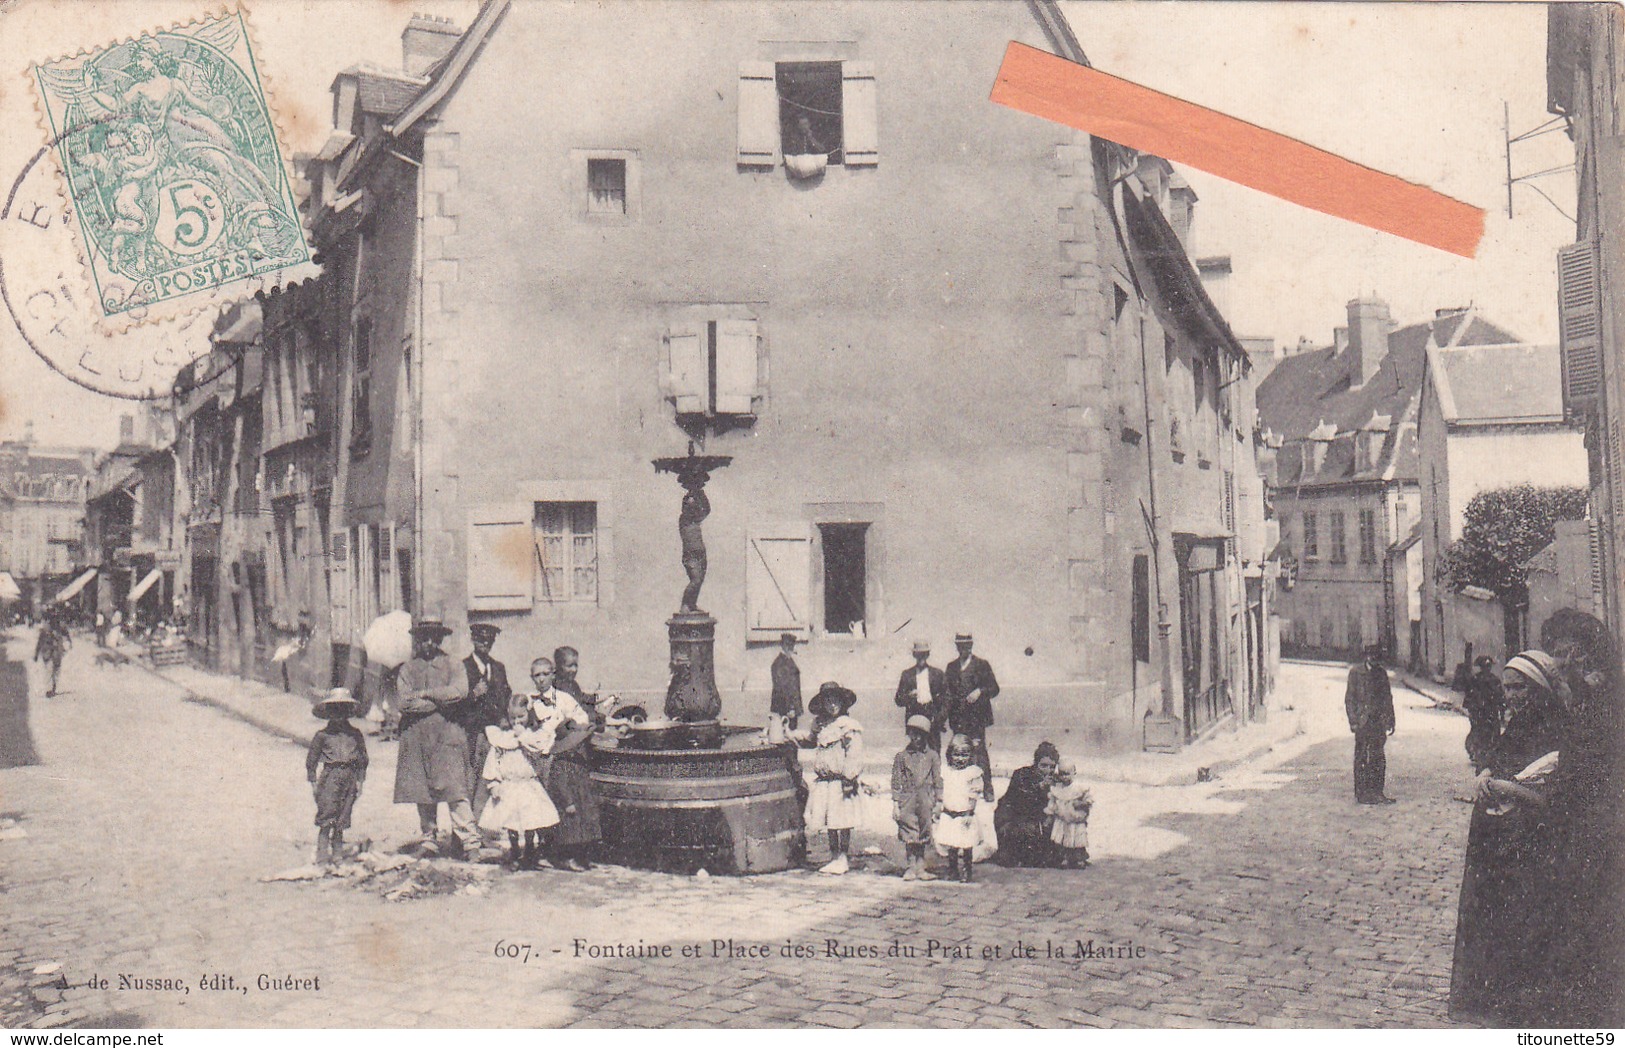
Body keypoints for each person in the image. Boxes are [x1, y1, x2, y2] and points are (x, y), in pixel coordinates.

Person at [1449, 650, 1568, 1026]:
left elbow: (1553, 797)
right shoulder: (1517, 725)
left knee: (1521, 918)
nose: (1512, 696)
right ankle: (1491, 996)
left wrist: (1505, 788)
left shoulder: (1555, 727)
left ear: (1539, 689)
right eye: (1508, 688)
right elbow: (1497, 758)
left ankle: (1515, 1002)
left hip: (1529, 840)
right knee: (1491, 913)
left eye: (1520, 688)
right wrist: (1484, 772)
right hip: (1496, 838)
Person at [1537, 610, 1624, 1027]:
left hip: (1597, 825)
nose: (1554, 663)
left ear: (1579, 655)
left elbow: (1589, 769)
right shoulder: (1591, 698)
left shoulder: (1599, 703)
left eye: (1557, 654)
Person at [392, 619, 481, 859]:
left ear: (440, 639)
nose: (428, 643)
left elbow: (459, 692)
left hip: (448, 733)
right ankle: (429, 840)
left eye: (433, 637)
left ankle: (470, 843)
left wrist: (425, 694)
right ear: (417, 640)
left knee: (455, 788)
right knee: (423, 790)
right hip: (417, 735)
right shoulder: (408, 668)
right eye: (424, 638)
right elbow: (404, 703)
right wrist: (438, 702)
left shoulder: (454, 664)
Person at [528, 657, 601, 872]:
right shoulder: (531, 704)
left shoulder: (565, 699)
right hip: (542, 759)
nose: (541, 679)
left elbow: (582, 721)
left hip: (567, 754)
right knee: (547, 809)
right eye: (536, 675)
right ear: (532, 678)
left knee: (571, 806)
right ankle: (549, 853)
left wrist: (571, 730)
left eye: (545, 674)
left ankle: (574, 853)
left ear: (553, 675)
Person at [479, 691, 559, 870]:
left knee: (531, 820)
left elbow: (538, 751)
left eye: (521, 717)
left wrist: (523, 735)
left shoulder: (533, 736)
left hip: (528, 785)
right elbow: (494, 760)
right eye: (513, 717)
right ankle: (515, 852)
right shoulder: (502, 738)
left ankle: (530, 851)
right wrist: (494, 783)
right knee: (511, 821)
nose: (517, 721)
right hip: (509, 786)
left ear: (528, 714)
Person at [797, 681, 863, 875]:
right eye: (828, 701)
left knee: (842, 820)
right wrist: (791, 737)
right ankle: (833, 855)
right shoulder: (820, 725)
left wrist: (849, 778)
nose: (832, 705)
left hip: (840, 781)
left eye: (836, 701)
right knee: (830, 822)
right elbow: (810, 741)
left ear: (842, 703)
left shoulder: (847, 726)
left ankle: (843, 857)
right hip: (824, 782)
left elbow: (854, 753)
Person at [307, 688, 368, 866]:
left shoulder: (355, 734)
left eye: (343, 709)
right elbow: (311, 762)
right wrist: (313, 784)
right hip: (330, 777)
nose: (339, 715)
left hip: (350, 776)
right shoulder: (322, 736)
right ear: (328, 713)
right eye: (334, 710)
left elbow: (363, 760)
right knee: (327, 816)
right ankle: (322, 855)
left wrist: (360, 781)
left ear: (348, 712)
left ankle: (338, 854)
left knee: (343, 817)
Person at [460, 624, 511, 821]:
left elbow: (506, 696)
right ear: (473, 640)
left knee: (489, 781)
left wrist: (505, 718)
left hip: (494, 733)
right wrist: (473, 695)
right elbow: (454, 704)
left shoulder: (498, 668)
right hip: (471, 734)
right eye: (481, 640)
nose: (485, 644)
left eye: (489, 641)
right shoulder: (463, 667)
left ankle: (482, 828)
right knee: (469, 781)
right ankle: (465, 833)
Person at [944, 632, 999, 800]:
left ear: (971, 645)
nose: (964, 648)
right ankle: (960, 789)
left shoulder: (982, 665)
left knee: (979, 751)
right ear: (956, 646)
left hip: (976, 718)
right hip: (958, 718)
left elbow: (994, 688)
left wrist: (980, 691)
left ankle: (987, 788)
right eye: (960, 645)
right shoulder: (951, 667)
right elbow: (947, 693)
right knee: (959, 751)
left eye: (967, 645)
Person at [891, 714, 940, 882]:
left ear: (926, 736)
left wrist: (939, 801)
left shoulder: (933, 756)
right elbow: (896, 781)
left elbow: (937, 780)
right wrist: (896, 804)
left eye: (920, 734)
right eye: (912, 733)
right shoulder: (901, 757)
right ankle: (910, 867)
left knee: (924, 830)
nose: (916, 738)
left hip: (926, 798)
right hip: (908, 799)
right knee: (909, 831)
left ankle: (921, 867)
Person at [996, 741, 1060, 868]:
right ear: (1035, 764)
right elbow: (1018, 802)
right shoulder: (1021, 775)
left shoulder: (1055, 780)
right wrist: (1040, 787)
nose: (1048, 770)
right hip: (1013, 820)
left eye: (1052, 767)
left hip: (1037, 823)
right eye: (1044, 766)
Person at [1345, 646, 1396, 804]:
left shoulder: (1381, 673)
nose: (1375, 661)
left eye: (1377, 658)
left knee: (1378, 757)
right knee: (1361, 756)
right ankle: (1361, 793)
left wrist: (1391, 720)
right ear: (1367, 656)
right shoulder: (1356, 673)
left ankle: (1377, 792)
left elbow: (1388, 698)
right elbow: (1350, 699)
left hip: (1378, 721)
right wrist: (1353, 721)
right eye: (1372, 657)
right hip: (1362, 721)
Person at [936, 734, 984, 883]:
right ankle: (953, 870)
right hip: (949, 814)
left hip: (964, 814)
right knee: (952, 844)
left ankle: (967, 871)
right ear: (950, 754)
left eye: (964, 755)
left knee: (966, 844)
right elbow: (941, 789)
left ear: (970, 755)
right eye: (956, 754)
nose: (960, 758)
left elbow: (974, 795)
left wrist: (970, 812)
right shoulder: (946, 771)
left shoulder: (972, 772)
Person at [894, 639, 948, 749]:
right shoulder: (907, 674)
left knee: (934, 751)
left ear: (928, 655)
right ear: (914, 655)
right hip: (915, 716)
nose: (921, 658)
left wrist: (939, 718)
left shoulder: (937, 674)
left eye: (924, 654)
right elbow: (898, 700)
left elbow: (946, 698)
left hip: (932, 716)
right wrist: (908, 696)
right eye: (919, 655)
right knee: (916, 751)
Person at [1046, 759, 1092, 869]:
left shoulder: (1079, 788)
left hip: (1075, 818)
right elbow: (1053, 803)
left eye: (1067, 774)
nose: (1064, 777)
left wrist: (1081, 803)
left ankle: (1079, 859)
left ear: (1074, 773)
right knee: (1062, 839)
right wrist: (1050, 814)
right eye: (1061, 774)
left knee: (1077, 840)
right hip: (1062, 819)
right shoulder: (1058, 788)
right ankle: (1064, 858)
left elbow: (1089, 799)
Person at [1463, 655, 1504, 772]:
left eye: (1488, 666)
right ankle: (1477, 754)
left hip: (1491, 712)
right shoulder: (1474, 680)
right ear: (1481, 667)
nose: (1487, 669)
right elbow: (1469, 696)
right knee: (1478, 733)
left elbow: (1500, 697)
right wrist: (1471, 711)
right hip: (1479, 713)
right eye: (1484, 666)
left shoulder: (1495, 680)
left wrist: (1501, 711)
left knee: (1494, 734)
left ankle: (1491, 756)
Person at [770, 633, 803, 732]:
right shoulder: (780, 663)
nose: (790, 648)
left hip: (789, 708)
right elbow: (782, 687)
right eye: (787, 645)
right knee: (785, 734)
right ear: (782, 645)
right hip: (784, 708)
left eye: (791, 645)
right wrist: (790, 707)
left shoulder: (788, 660)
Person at [33, 614, 68, 697]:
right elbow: (40, 642)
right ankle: (49, 689)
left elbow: (65, 639)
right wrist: (36, 654)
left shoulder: (59, 630)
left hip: (55, 653)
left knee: (55, 670)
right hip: (48, 653)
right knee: (49, 670)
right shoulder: (45, 631)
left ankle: (53, 686)